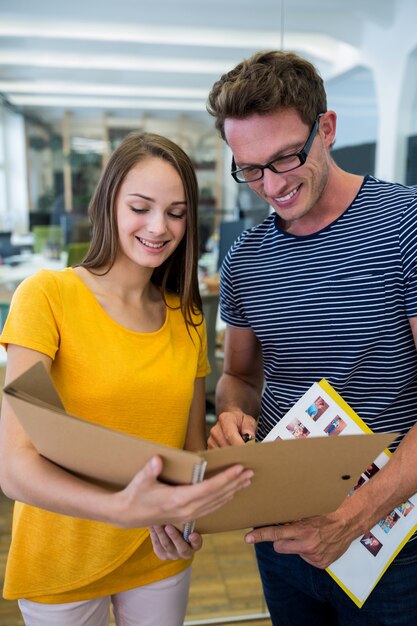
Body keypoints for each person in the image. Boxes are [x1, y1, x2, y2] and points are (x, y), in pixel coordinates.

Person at [0, 131, 253, 626]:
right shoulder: (47, 297)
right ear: (109, 203)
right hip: (64, 557)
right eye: (141, 207)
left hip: (158, 553)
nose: (159, 227)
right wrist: (122, 508)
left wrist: (192, 515)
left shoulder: (188, 319)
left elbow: (190, 456)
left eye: (177, 213)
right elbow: (13, 468)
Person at [205, 50, 417, 625]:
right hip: (283, 529)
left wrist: (354, 517)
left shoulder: (406, 224)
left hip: (391, 538)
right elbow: (241, 377)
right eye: (249, 168)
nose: (270, 185)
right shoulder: (245, 257)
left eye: (284, 158)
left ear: (325, 128)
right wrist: (230, 416)